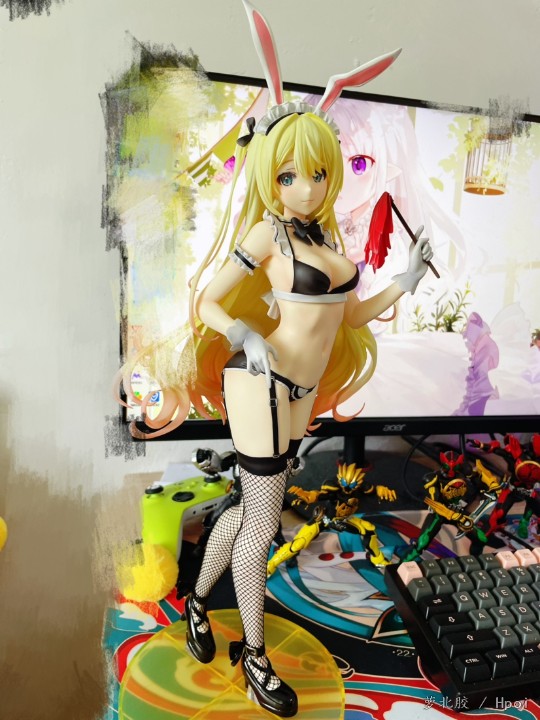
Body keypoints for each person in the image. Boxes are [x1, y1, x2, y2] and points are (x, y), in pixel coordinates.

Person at [120, 3, 433, 717]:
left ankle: (196, 602)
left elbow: (350, 315)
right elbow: (208, 300)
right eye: (290, 175)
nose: (307, 188)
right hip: (259, 382)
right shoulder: (270, 236)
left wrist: (408, 279)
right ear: (270, 173)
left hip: (298, 392)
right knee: (264, 522)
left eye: (317, 173)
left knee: (246, 510)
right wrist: (245, 335)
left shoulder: (324, 243)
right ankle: (254, 656)